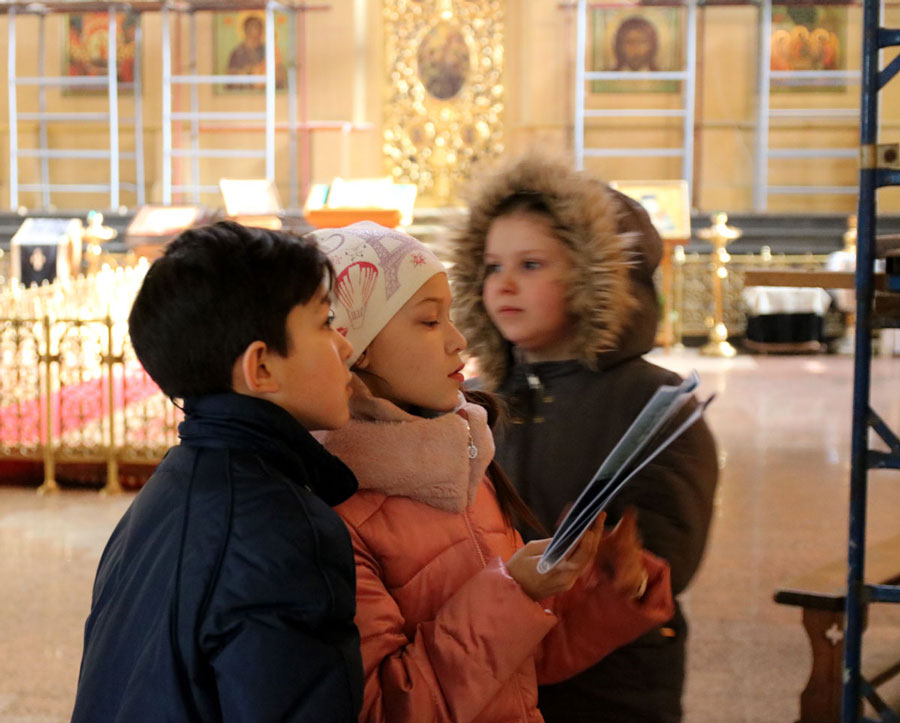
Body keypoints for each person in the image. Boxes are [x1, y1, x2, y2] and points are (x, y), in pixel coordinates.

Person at [311, 221, 674, 723]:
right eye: (429, 321)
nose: (457, 340)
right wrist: (515, 591)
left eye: (451, 317)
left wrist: (600, 589)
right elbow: (386, 709)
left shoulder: (461, 462)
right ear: (356, 344)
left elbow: (516, 666)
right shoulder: (332, 511)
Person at [449, 153, 719, 723]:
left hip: (613, 681)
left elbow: (665, 557)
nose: (505, 284)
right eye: (492, 266)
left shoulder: (653, 402)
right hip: (497, 668)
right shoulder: (471, 399)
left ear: (595, 275)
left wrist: (622, 563)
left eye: (531, 264)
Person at [71, 221, 363, 722]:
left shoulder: (164, 492)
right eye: (325, 322)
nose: (346, 347)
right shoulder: (283, 532)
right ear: (261, 368)